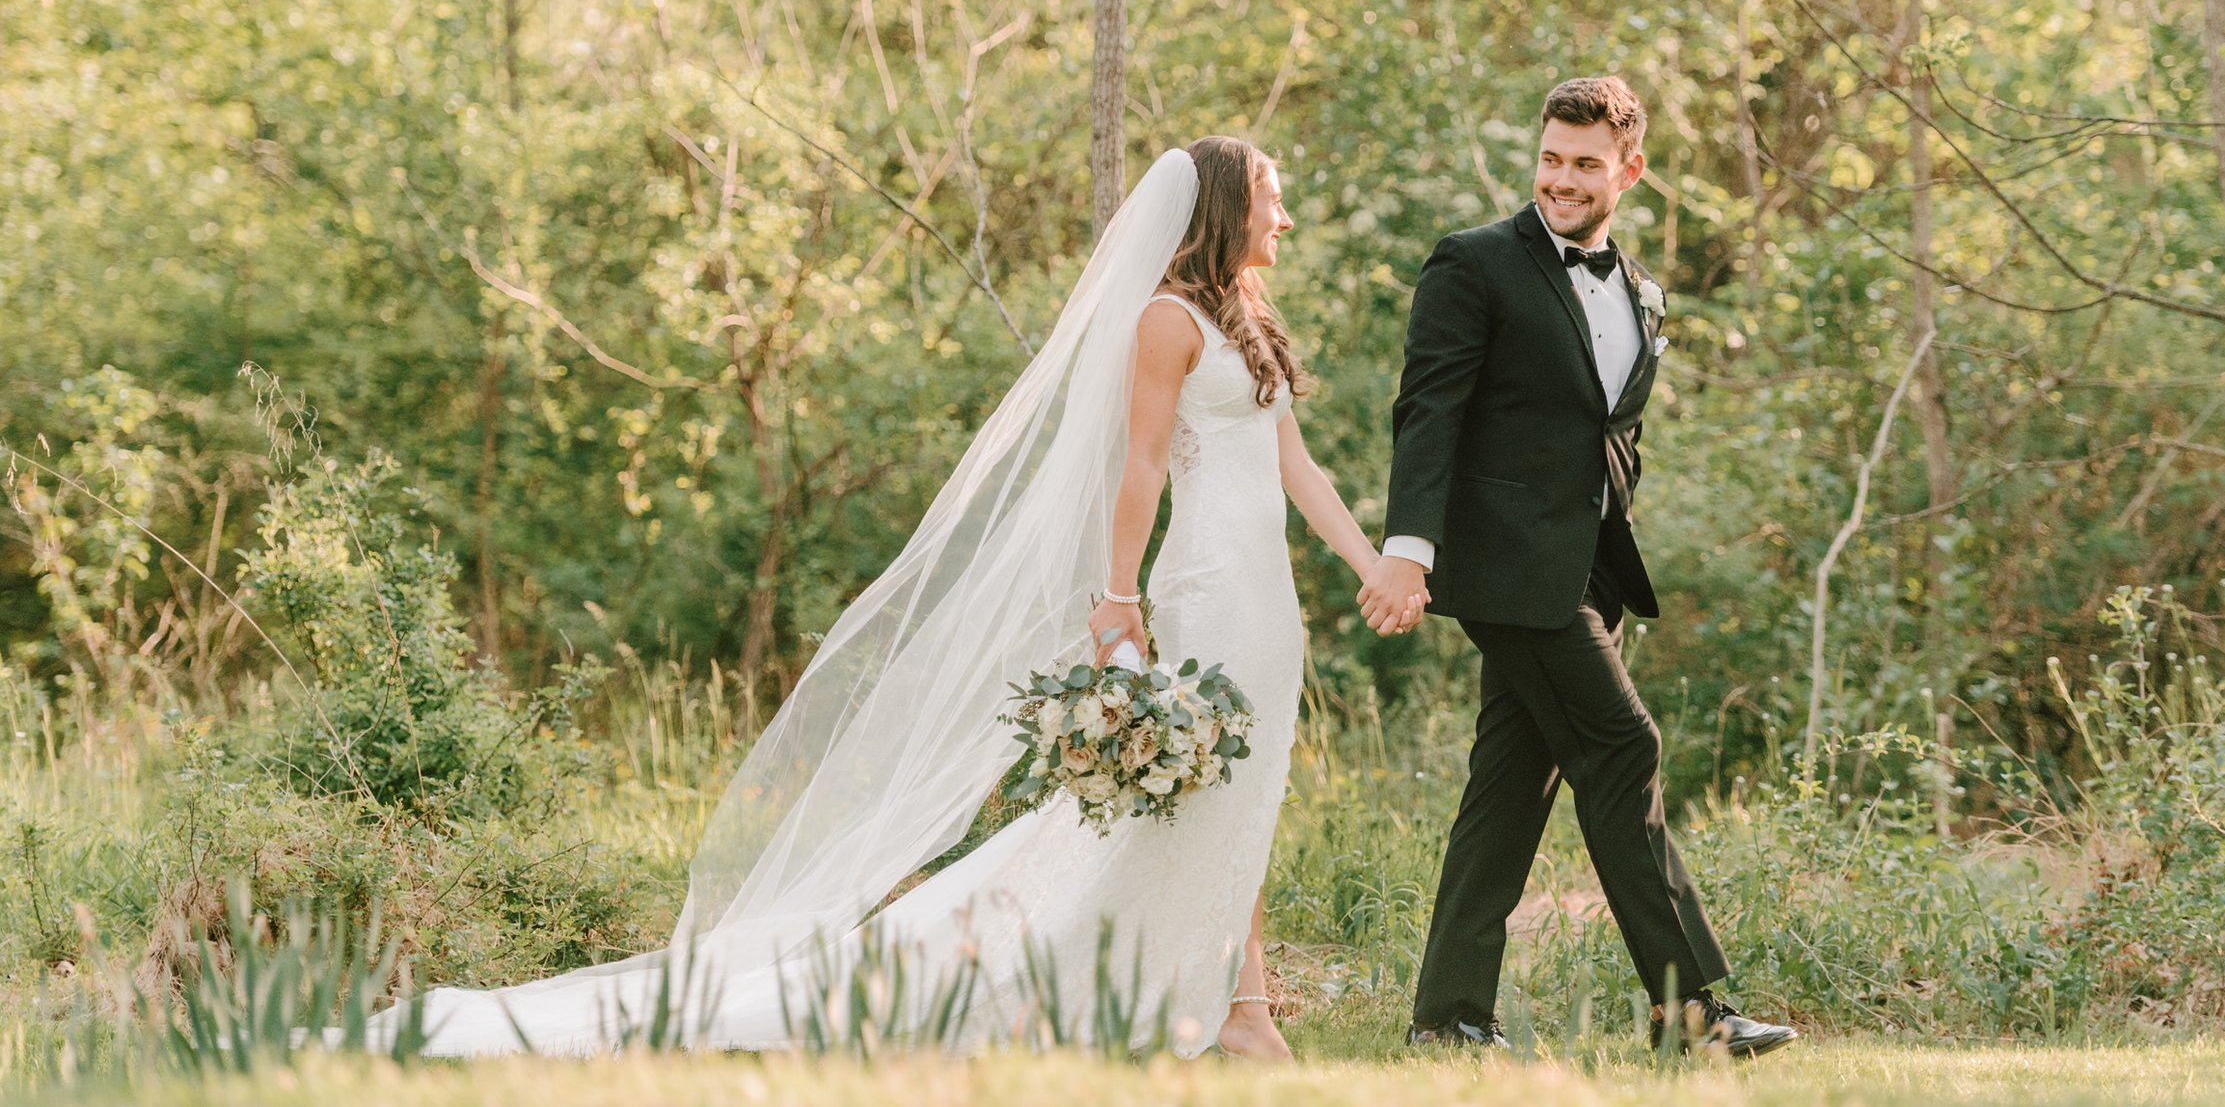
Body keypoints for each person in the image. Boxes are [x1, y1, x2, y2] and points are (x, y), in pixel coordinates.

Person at [383, 138, 1415, 1059]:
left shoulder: (1247, 321)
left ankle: (1234, 998)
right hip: (1202, 590)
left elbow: (1299, 467)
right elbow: (1139, 467)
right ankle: (1231, 1003)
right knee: (1198, 794)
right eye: (1273, 197)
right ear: (1228, 207)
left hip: (1267, 598)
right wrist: (1117, 597)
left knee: (1241, 797)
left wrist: (1369, 563)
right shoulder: (1164, 319)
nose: (1285, 217)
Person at [1358, 75, 1796, 1059]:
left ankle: (1448, 1014)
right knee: (1623, 747)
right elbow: (1425, 412)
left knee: (1509, 784)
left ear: (1627, 170)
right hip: (1505, 569)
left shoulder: (1640, 287)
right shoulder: (1471, 265)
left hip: (1586, 572)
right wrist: (1407, 549)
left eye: (1583, 164)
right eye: (1549, 158)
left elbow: (1611, 427)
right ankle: (1688, 1009)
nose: (1560, 178)